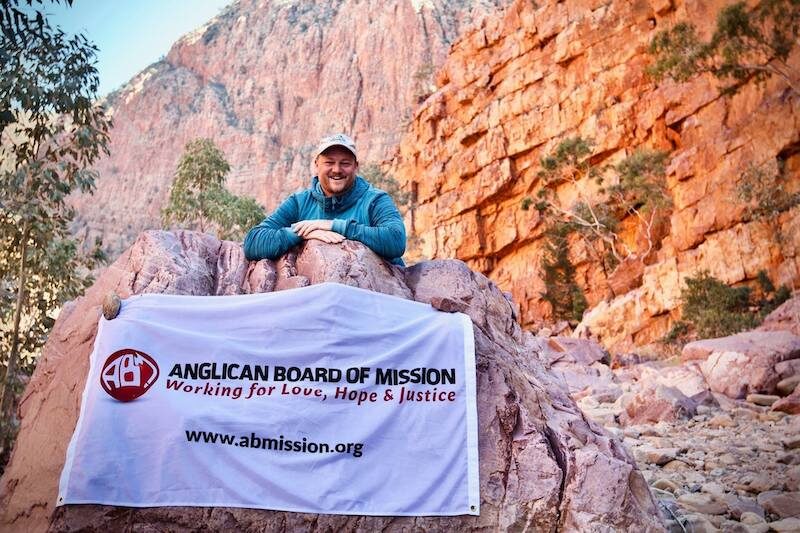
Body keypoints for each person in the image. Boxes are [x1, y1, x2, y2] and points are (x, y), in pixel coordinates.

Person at [243, 133, 406, 266]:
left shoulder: (375, 200)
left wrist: (333, 226)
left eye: (345, 163)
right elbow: (253, 242)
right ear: (316, 165)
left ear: (356, 166)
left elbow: (396, 241)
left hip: (373, 297)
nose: (337, 170)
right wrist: (305, 232)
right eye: (329, 162)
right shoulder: (299, 203)